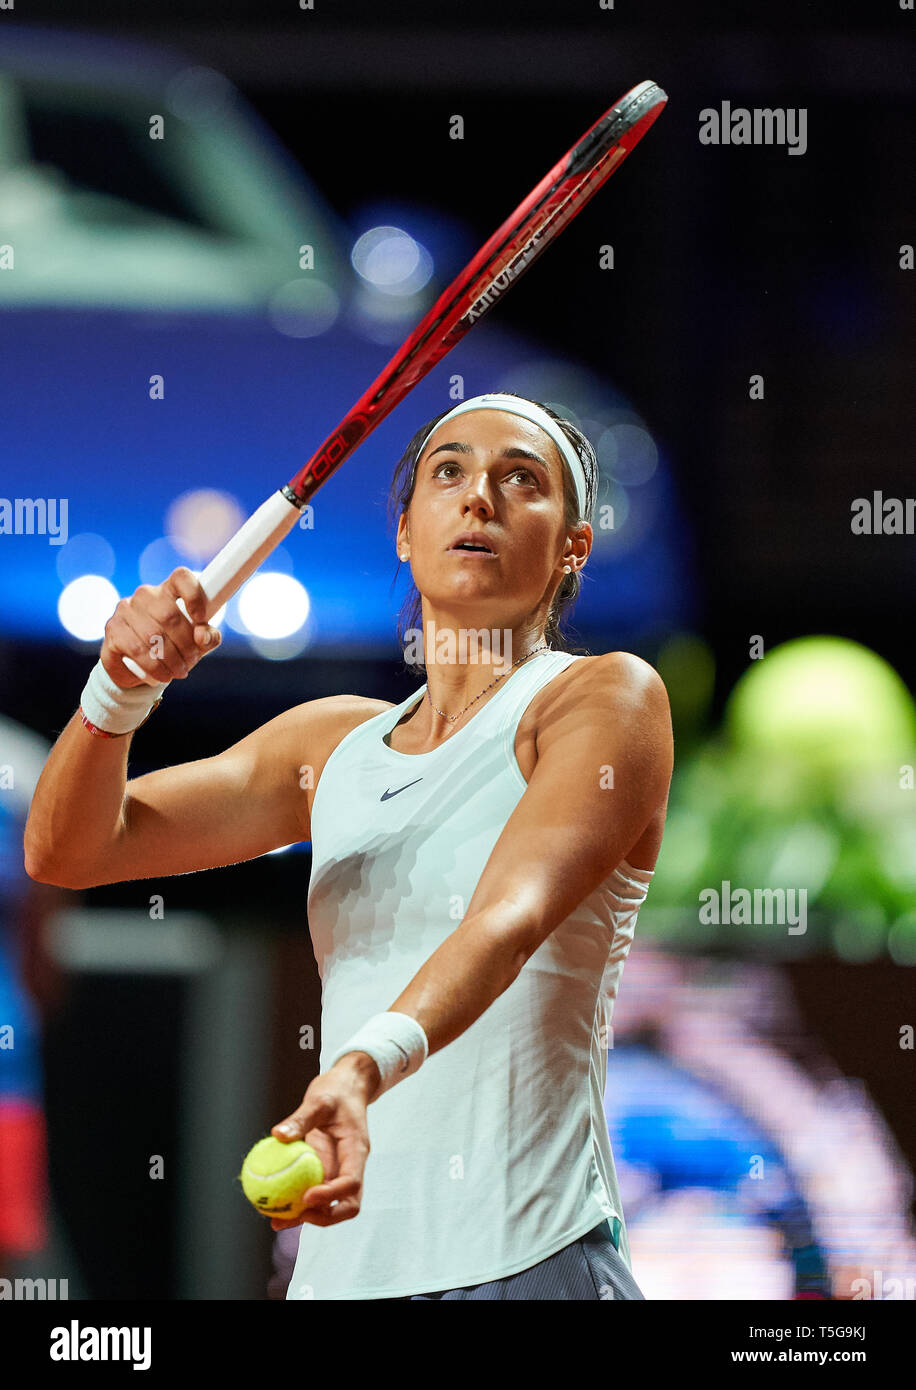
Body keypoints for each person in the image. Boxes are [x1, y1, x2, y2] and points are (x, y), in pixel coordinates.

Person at [25, 391, 673, 1300]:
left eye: (521, 479)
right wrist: (119, 692)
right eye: (448, 473)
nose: (479, 495)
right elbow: (70, 850)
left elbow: (509, 916)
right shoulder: (329, 746)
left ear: (574, 547)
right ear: (405, 532)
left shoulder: (602, 701)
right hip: (342, 1275)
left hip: (531, 1259)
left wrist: (364, 1066)